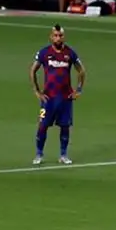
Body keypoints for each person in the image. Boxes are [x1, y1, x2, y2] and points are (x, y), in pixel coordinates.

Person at [30, 24, 86, 165]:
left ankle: (63, 155)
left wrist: (78, 90)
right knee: (42, 126)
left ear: (64, 37)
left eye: (60, 35)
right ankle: (39, 154)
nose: (58, 38)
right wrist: (36, 91)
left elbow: (82, 71)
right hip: (49, 98)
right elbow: (33, 71)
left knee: (65, 126)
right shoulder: (44, 53)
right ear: (51, 36)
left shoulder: (70, 53)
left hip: (65, 98)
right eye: (55, 35)